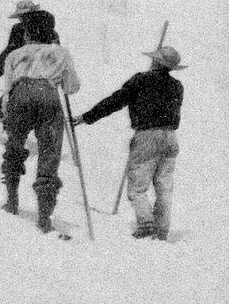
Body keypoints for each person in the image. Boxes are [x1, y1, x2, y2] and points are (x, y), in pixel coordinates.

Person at [76, 45, 185, 240]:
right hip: (170, 137)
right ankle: (162, 230)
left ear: (155, 62)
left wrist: (87, 117)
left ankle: (145, 222)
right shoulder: (177, 86)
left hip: (147, 136)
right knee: (164, 186)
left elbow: (115, 101)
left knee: (137, 187)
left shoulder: (141, 80)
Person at [0, 10, 81, 233]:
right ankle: (44, 217)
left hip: (20, 94)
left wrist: (8, 116)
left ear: (27, 32)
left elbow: (7, 91)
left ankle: (12, 201)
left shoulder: (14, 55)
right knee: (49, 152)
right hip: (48, 95)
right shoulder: (61, 53)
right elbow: (72, 87)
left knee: (14, 146)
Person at [0, 0, 58, 120]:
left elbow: (9, 52)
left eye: (21, 17)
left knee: (3, 107)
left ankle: (12, 135)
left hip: (26, 80)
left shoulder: (20, 29)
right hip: (49, 83)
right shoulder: (52, 33)